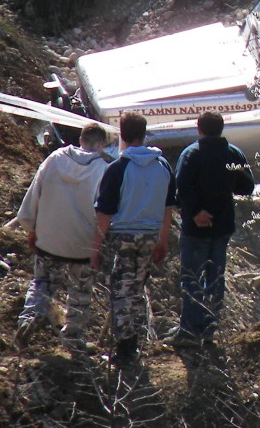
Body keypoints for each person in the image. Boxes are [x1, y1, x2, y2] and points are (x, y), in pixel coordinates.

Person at [13, 123, 112, 354]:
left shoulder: (55, 159)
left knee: (42, 284)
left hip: (49, 239)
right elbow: (105, 211)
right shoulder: (103, 170)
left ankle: (29, 318)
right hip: (82, 245)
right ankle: (73, 338)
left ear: (80, 139)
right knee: (79, 292)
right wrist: (101, 244)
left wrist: (31, 228)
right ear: (101, 144)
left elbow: (33, 196)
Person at [92, 112, 175, 367]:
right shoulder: (163, 166)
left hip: (124, 236)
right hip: (151, 236)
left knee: (121, 291)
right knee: (136, 288)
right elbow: (168, 208)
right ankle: (135, 343)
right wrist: (163, 240)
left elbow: (104, 213)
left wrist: (95, 248)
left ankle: (126, 350)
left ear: (122, 134)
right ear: (144, 133)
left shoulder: (118, 168)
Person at [167, 111, 255, 349]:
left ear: (199, 128)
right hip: (222, 226)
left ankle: (189, 329)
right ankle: (209, 328)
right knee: (215, 278)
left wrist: (196, 212)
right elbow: (247, 186)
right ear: (221, 128)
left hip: (196, 228)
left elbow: (181, 186)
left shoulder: (191, 154)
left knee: (192, 277)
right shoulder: (233, 154)